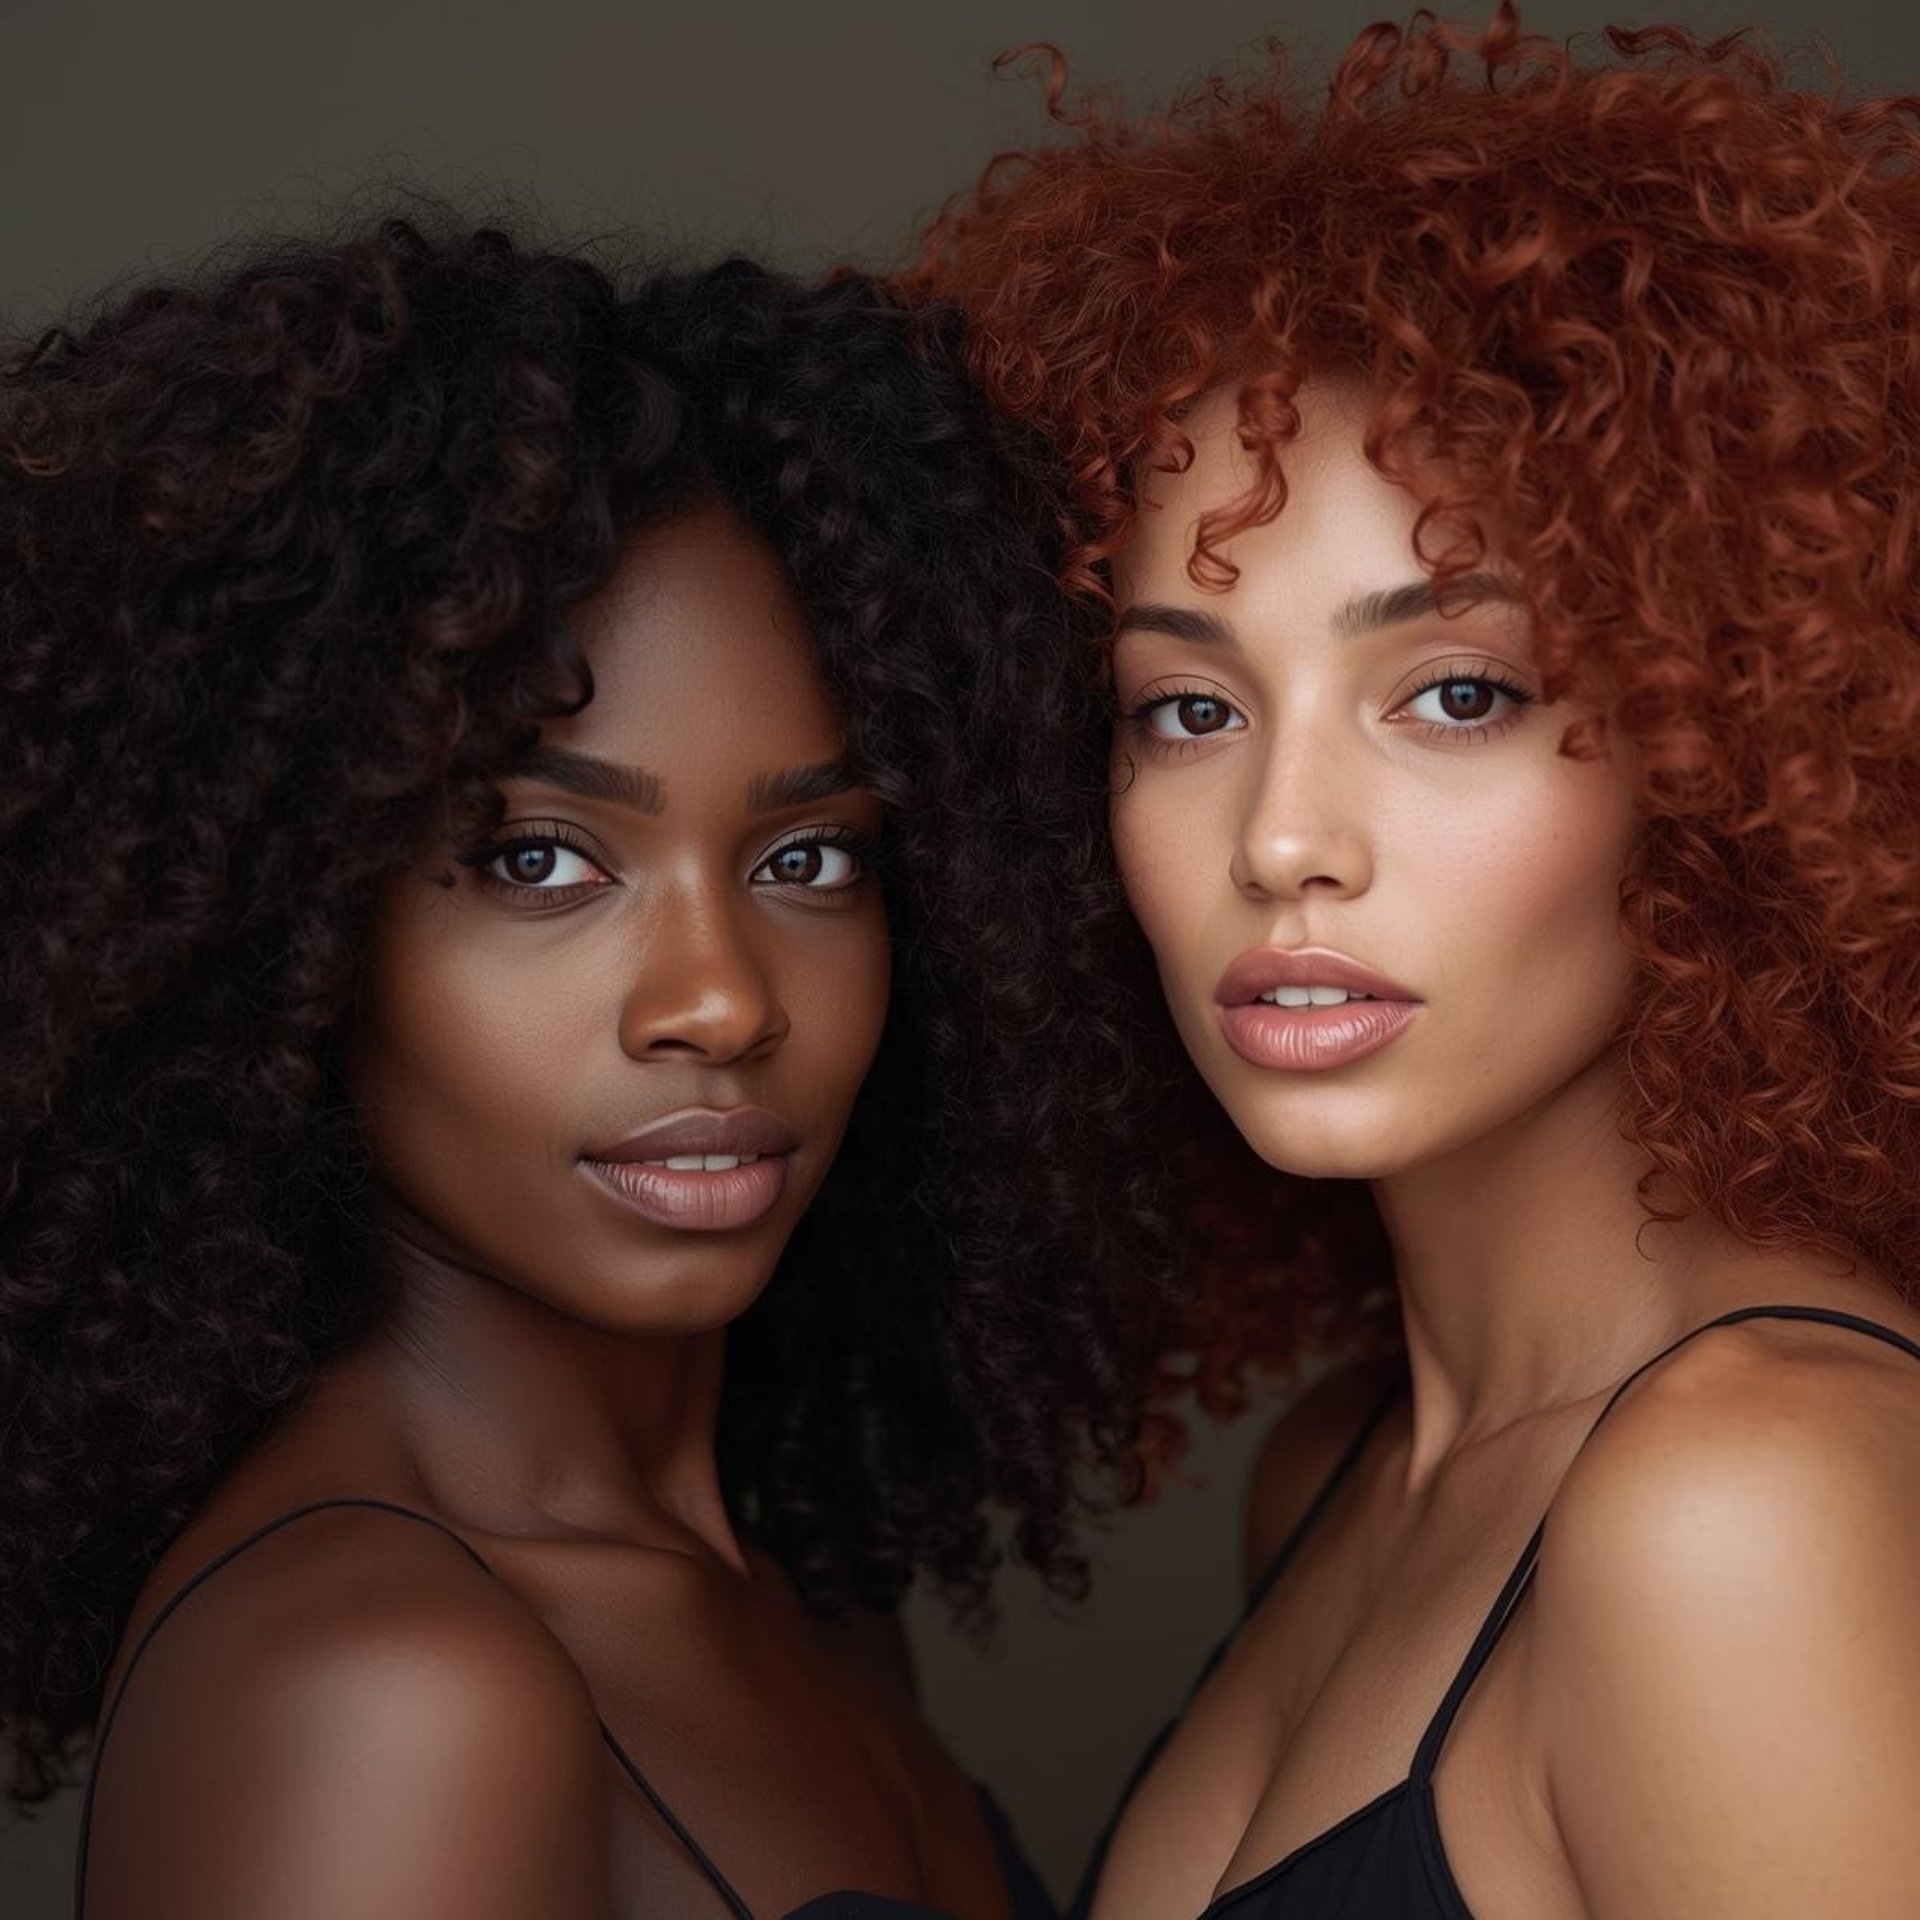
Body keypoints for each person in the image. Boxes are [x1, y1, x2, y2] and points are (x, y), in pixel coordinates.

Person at [0, 219, 1172, 1919]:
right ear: (290, 931)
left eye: (811, 861)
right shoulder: (385, 1695)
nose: (716, 1001)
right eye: (543, 862)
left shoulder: (796, 1603)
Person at [906, 6, 1920, 1915]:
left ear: (1737, 751)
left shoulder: (1749, 1502)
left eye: (1454, 692)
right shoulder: (1337, 1479)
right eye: (1184, 712)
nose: (1283, 839)